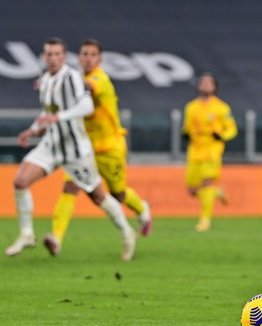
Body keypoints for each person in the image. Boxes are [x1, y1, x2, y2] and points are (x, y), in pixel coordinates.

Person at [5, 38, 137, 261]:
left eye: (57, 54)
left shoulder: (73, 78)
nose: (53, 58)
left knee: (98, 197)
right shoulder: (45, 80)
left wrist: (59, 117)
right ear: (44, 57)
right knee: (20, 181)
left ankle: (127, 232)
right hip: (52, 144)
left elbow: (86, 106)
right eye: (49, 54)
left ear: (64, 57)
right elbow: (48, 112)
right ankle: (27, 234)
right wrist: (33, 129)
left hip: (76, 150)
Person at [43, 39, 152, 256]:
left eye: (92, 54)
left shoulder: (98, 79)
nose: (88, 58)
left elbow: (86, 89)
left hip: (110, 147)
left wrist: (57, 84)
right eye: (84, 53)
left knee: (118, 194)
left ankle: (142, 210)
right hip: (83, 148)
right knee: (70, 187)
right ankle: (56, 237)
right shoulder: (73, 78)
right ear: (78, 57)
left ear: (100, 59)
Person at [183, 73, 237, 232]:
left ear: (214, 87)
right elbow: (188, 127)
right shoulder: (191, 107)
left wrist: (222, 135)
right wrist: (185, 133)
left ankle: (204, 221)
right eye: (203, 83)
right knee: (192, 190)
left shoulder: (222, 108)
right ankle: (217, 192)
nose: (205, 85)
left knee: (206, 184)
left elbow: (232, 129)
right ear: (198, 86)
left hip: (212, 151)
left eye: (209, 83)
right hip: (195, 151)